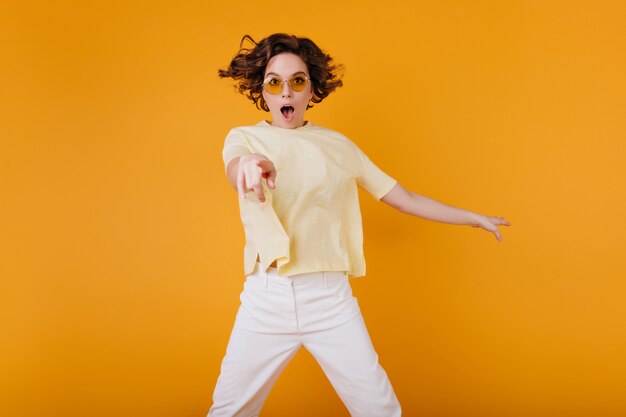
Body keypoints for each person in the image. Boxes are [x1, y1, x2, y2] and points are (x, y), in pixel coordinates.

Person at [207, 33, 511, 417]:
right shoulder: (245, 139)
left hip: (330, 299)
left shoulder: (340, 147)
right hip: (266, 297)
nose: (286, 92)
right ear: (262, 90)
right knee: (229, 410)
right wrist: (250, 166)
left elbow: (405, 199)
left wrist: (472, 218)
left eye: (297, 81)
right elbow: (235, 168)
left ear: (312, 88)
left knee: (379, 408)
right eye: (274, 82)